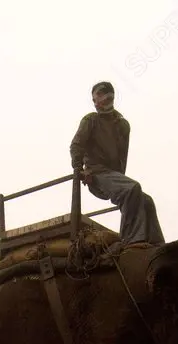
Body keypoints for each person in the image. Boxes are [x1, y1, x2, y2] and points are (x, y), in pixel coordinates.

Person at [69, 81, 165, 247]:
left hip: (114, 177)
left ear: (109, 96)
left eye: (99, 97)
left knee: (146, 200)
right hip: (96, 174)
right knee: (131, 188)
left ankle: (157, 244)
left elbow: (122, 157)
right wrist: (80, 171)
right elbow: (76, 145)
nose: (96, 102)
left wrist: (120, 179)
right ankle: (131, 242)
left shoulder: (122, 125)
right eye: (94, 99)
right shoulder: (90, 120)